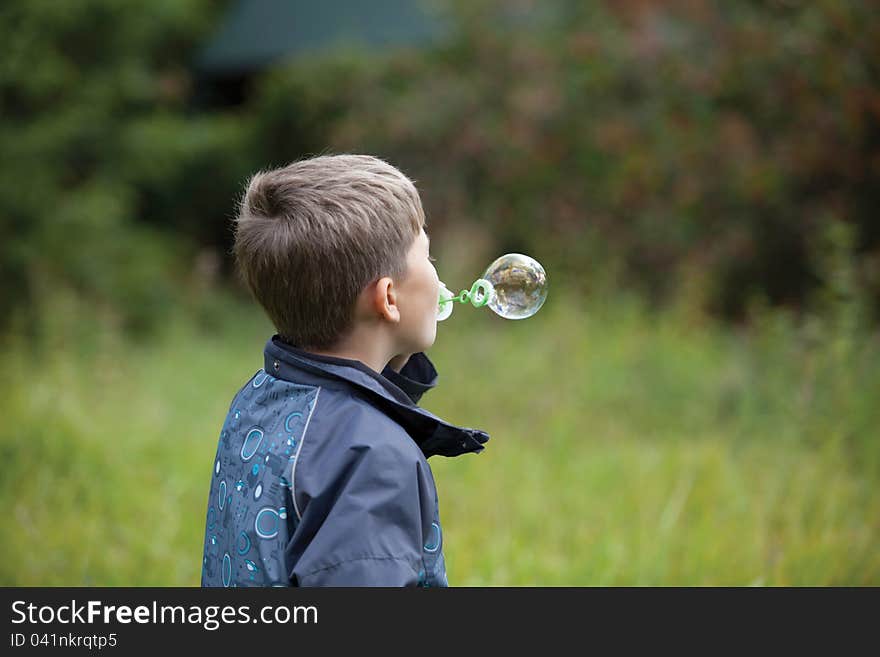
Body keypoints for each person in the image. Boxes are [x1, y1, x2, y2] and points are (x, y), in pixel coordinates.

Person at [201, 154, 489, 587]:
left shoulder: (260, 398)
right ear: (388, 299)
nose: (438, 277)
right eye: (428, 258)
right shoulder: (372, 457)